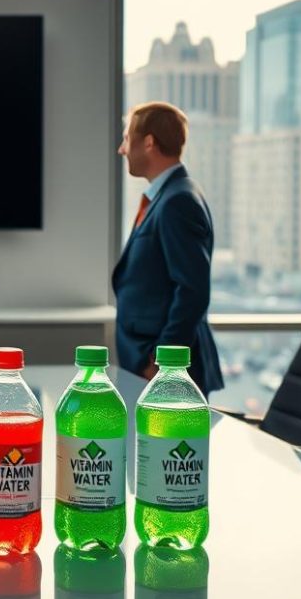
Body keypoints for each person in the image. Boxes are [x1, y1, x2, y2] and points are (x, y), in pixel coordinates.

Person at [114, 101, 223, 395]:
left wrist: (161, 364)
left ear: (148, 143)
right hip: (150, 366)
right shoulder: (169, 196)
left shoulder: (178, 201)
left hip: (165, 372)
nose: (122, 150)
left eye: (126, 139)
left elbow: (192, 291)